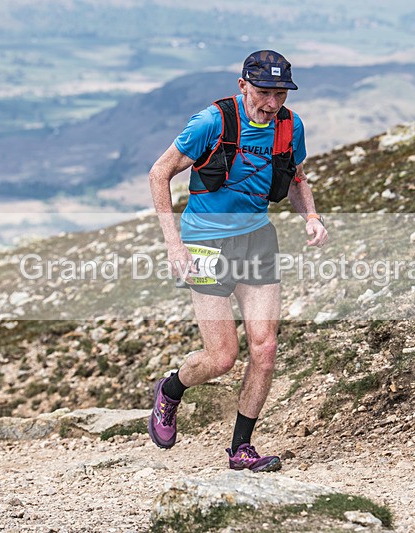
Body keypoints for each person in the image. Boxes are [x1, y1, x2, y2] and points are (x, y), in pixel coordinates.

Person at [147, 50, 328, 472]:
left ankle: (241, 449)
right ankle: (172, 389)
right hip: (206, 245)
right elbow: (159, 173)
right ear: (243, 84)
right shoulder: (213, 122)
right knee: (222, 358)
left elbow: (296, 176)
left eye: (280, 93)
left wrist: (312, 217)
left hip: (258, 240)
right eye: (264, 92)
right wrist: (174, 245)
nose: (272, 103)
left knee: (264, 348)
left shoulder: (290, 125)